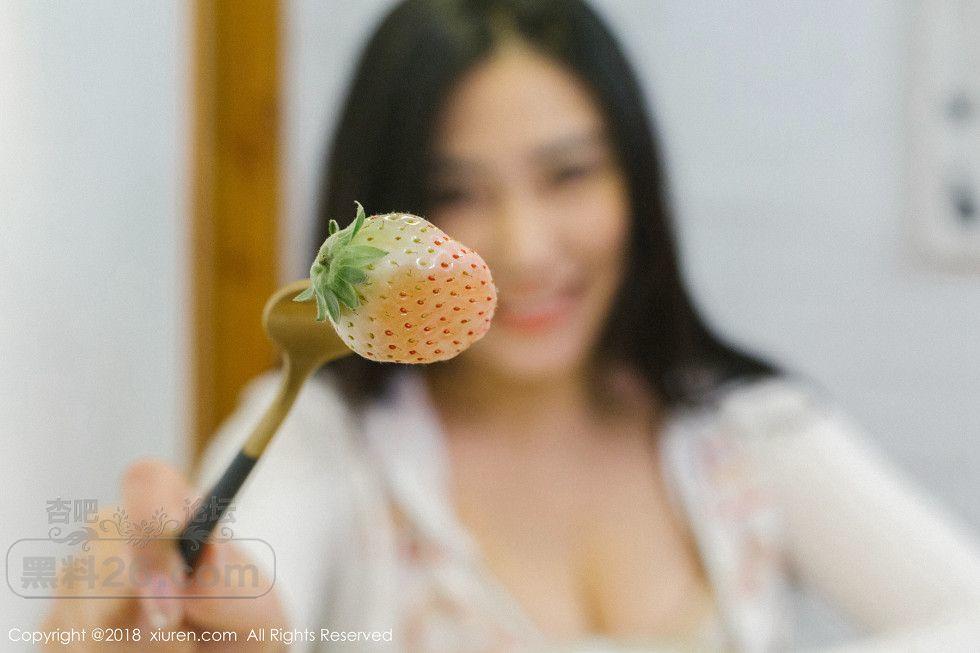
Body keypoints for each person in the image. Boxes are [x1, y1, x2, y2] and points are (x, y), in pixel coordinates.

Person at [43, 0, 980, 650]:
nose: (525, 250)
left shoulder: (749, 430)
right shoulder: (327, 441)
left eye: (568, 174)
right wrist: (192, 619)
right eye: (456, 193)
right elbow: (244, 595)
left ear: (637, 183)